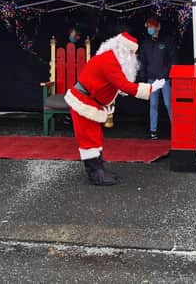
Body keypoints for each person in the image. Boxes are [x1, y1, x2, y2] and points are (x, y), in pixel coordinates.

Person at [64, 32, 165, 186]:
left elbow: (117, 85)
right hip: (83, 102)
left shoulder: (112, 58)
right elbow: (124, 85)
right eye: (131, 52)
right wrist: (150, 88)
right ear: (123, 50)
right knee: (89, 139)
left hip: (91, 103)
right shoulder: (109, 61)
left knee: (95, 137)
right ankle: (95, 175)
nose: (133, 57)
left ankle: (99, 170)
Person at [139, 17, 176, 140]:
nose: (150, 28)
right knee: (153, 105)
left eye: (152, 26)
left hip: (164, 79)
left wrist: (165, 74)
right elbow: (143, 61)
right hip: (151, 79)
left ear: (158, 27)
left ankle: (176, 129)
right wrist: (144, 76)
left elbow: (172, 60)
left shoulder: (167, 41)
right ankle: (153, 131)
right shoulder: (146, 42)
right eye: (148, 26)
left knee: (168, 104)